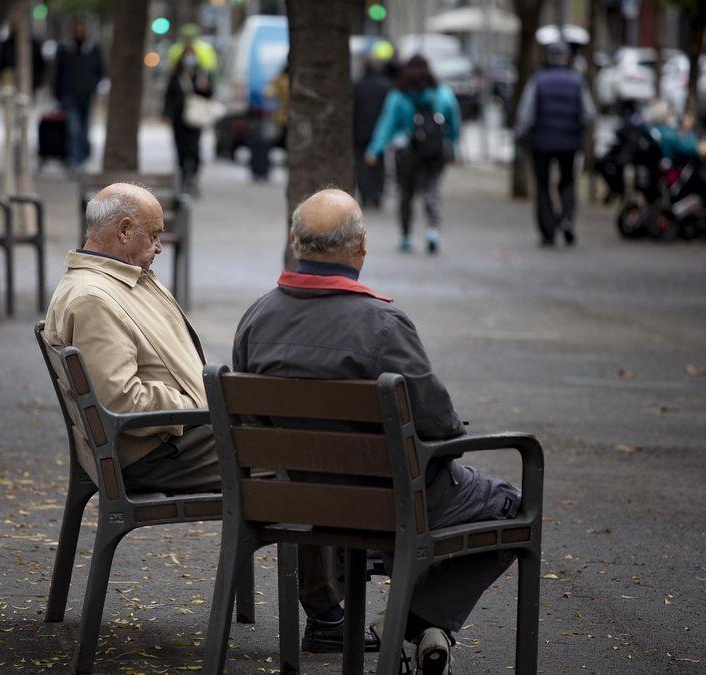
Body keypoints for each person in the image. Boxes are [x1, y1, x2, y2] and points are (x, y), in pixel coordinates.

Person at [43, 184, 361, 652]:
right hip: (157, 447)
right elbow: (122, 402)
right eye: (153, 236)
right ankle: (328, 616)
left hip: (178, 432)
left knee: (294, 438)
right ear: (124, 230)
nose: (158, 247)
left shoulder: (117, 278)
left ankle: (345, 579)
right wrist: (208, 401)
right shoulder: (96, 298)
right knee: (303, 463)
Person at [233, 188, 524, 674]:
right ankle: (413, 621)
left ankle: (410, 626)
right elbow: (441, 427)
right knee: (508, 504)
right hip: (388, 506)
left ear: (295, 241)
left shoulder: (256, 319)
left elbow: (251, 423)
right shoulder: (383, 326)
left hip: (295, 501)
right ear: (361, 246)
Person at [365, 55, 461, 254]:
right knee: (432, 190)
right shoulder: (442, 93)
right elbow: (454, 121)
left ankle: (406, 236)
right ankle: (432, 231)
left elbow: (387, 123)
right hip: (435, 151)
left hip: (407, 152)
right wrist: (451, 147)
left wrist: (374, 149)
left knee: (405, 194)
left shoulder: (399, 95)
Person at [515, 41, 596, 247]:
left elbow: (526, 115)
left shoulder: (538, 80)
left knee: (542, 187)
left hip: (541, 143)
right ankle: (567, 219)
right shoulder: (577, 81)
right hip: (569, 143)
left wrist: (520, 135)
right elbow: (589, 113)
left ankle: (548, 230)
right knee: (568, 183)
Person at [53, 18, 104, 170]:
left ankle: (83, 156)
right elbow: (58, 74)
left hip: (87, 95)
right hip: (69, 95)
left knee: (85, 128)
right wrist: (57, 94)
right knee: (74, 128)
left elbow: (100, 71)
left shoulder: (93, 50)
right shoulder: (65, 50)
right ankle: (75, 160)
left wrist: (93, 85)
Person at [163, 47, 214, 196]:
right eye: (187, 56)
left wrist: (204, 87)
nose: (190, 60)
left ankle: (193, 177)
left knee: (194, 149)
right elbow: (169, 96)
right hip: (179, 119)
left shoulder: (201, 74)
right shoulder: (176, 75)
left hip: (195, 118)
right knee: (181, 150)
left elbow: (209, 94)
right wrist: (166, 114)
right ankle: (184, 178)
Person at [354, 56, 393, 209]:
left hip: (360, 131)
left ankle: (365, 195)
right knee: (379, 164)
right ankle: (377, 194)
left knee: (362, 165)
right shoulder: (386, 86)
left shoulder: (358, 85)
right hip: (379, 132)